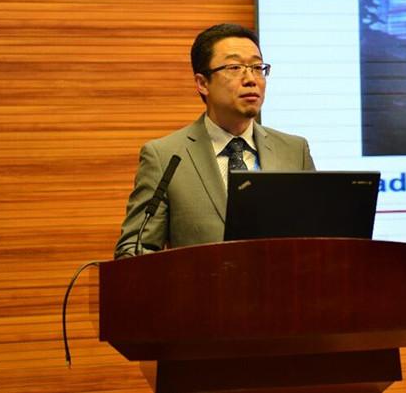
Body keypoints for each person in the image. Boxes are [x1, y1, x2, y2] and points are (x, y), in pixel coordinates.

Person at [114, 24, 315, 258]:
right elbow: (133, 249)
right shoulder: (165, 156)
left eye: (257, 67)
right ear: (203, 83)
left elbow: (319, 237)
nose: (251, 79)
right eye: (235, 67)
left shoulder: (294, 151)